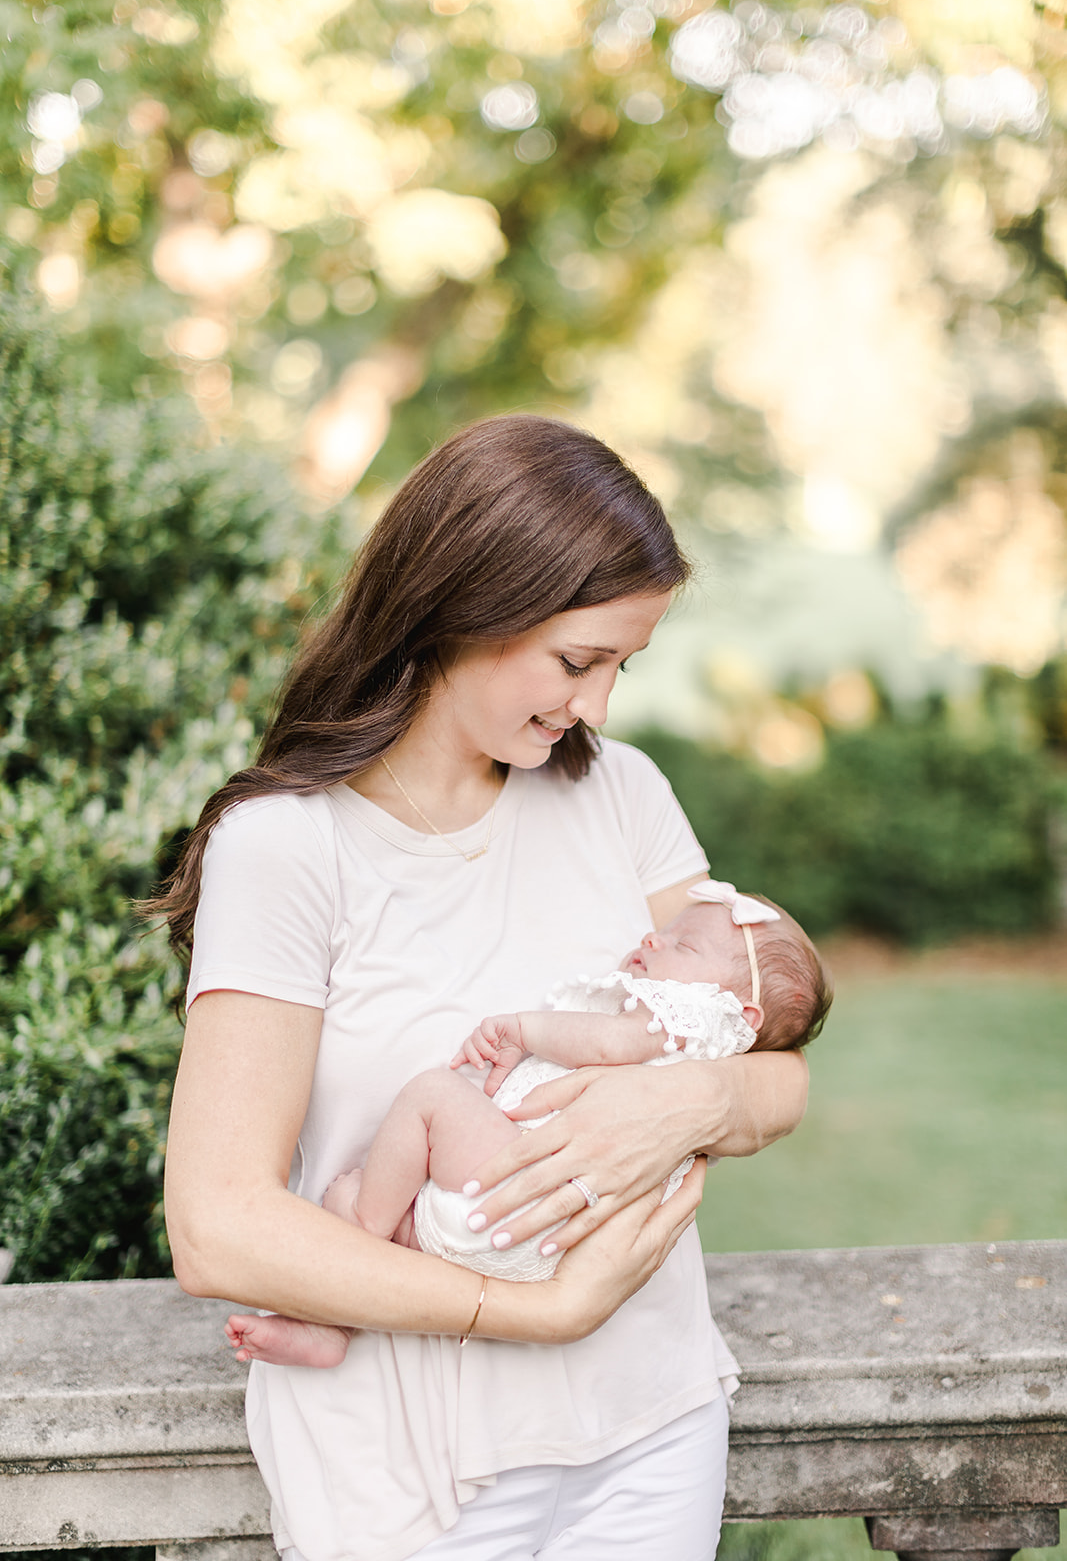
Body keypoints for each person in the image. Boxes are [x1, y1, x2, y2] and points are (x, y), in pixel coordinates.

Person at [158, 415, 810, 1561]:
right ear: (465, 606)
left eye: (621, 665)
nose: (598, 707)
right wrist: (533, 1312)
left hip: (647, 1422)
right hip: (411, 1474)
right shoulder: (287, 850)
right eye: (576, 661)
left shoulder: (619, 792)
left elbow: (769, 1061)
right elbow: (217, 1226)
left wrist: (689, 1104)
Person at [223, 880, 831, 1370]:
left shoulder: (690, 1022)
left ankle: (362, 1236)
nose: (656, 937)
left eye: (684, 947)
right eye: (668, 932)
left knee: (431, 1099)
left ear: (740, 1011)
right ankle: (333, 1321)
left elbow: (611, 1040)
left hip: (532, 1189)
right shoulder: (706, 1044)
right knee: (383, 1178)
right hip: (547, 1237)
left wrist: (524, 1028)